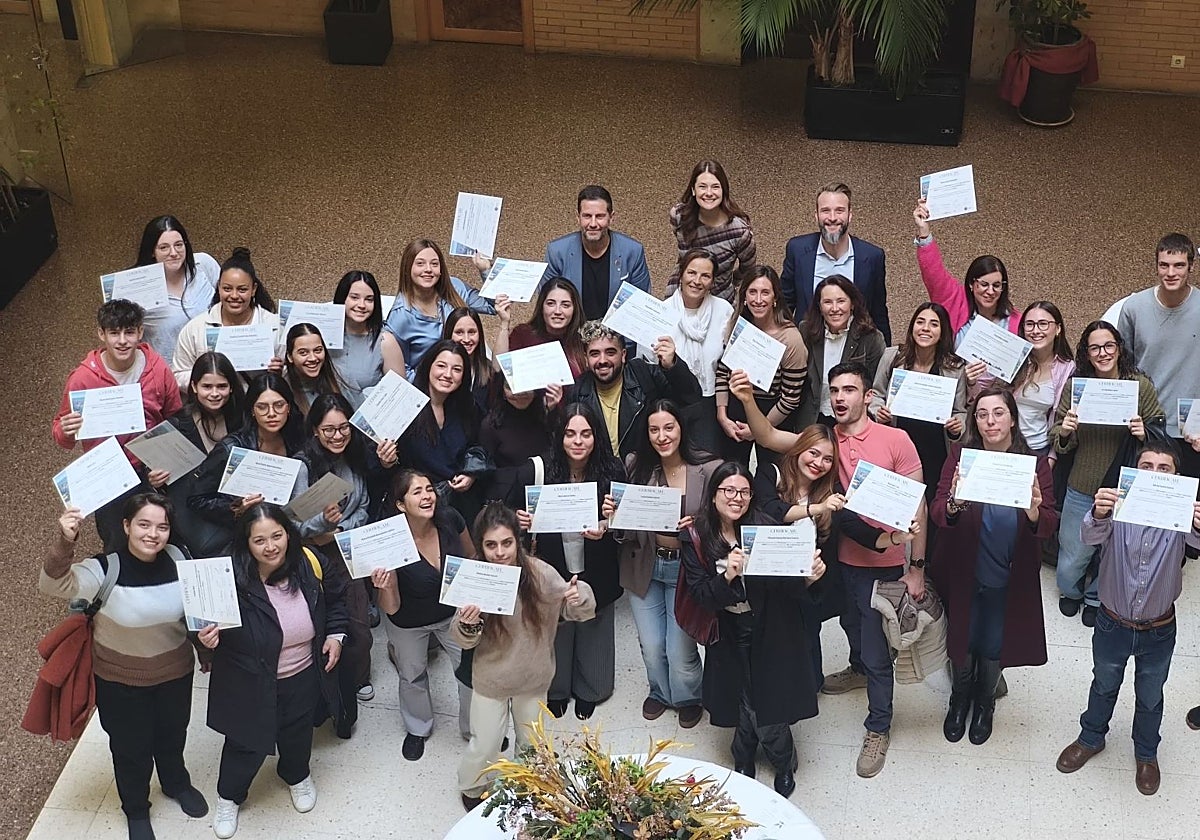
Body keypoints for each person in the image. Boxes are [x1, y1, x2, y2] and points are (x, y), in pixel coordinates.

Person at [731, 361, 927, 778]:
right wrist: (746, 397)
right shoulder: (827, 439)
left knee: (877, 651)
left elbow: (916, 504)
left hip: (881, 564)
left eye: (849, 390)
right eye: (834, 390)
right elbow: (766, 438)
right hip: (836, 565)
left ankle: (879, 726)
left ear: (868, 395)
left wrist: (914, 562)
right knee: (850, 629)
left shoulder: (896, 438)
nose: (840, 397)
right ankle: (856, 670)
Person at [40, 494, 207, 840]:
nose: (153, 534)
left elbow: (198, 607)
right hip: (120, 679)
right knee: (131, 747)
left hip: (175, 672)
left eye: (162, 527)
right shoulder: (105, 569)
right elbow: (52, 583)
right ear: (127, 526)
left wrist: (208, 640)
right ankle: (135, 808)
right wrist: (65, 541)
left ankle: (176, 783)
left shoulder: (181, 559)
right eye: (143, 525)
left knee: (173, 735)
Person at [1055, 440, 1200, 797]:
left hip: (1159, 628)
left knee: (1151, 695)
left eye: (1163, 469)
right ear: (1133, 474)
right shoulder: (1118, 509)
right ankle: (1091, 737)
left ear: (1177, 477)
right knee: (1103, 684)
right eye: (1146, 467)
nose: (1154, 474)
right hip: (1111, 622)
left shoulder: (1181, 517)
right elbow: (1088, 535)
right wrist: (1100, 512)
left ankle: (1146, 753)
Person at [198, 504, 348, 839]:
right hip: (247, 678)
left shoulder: (308, 564)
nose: (271, 547)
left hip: (304, 673)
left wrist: (336, 634)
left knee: (297, 732)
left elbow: (337, 598)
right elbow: (198, 627)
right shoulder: (228, 577)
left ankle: (296, 774)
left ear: (288, 534)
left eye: (277, 536)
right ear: (245, 544)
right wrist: (205, 640)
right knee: (244, 741)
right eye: (260, 540)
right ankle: (230, 795)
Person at [680, 461, 824, 797]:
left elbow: (788, 586)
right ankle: (744, 752)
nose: (737, 497)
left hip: (771, 627)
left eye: (744, 491)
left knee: (766, 702)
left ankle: (781, 759)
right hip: (727, 629)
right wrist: (727, 575)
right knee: (741, 697)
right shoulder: (697, 535)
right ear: (713, 495)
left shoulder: (766, 526)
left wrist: (808, 577)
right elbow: (701, 596)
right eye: (728, 490)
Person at [931, 387, 1058, 746]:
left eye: (999, 413)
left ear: (1013, 418)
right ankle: (959, 699)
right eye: (982, 414)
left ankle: (984, 702)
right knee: (963, 637)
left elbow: (1048, 523)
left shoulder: (1032, 465)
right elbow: (937, 510)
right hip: (964, 570)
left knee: (993, 642)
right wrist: (955, 503)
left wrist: (1034, 511)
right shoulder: (961, 456)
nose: (990, 421)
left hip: (1010, 575)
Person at [454, 502, 596, 811]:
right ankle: (474, 786)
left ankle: (530, 782)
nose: (500, 552)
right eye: (491, 545)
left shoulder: (541, 573)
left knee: (533, 743)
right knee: (485, 743)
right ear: (481, 546)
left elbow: (576, 608)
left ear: (518, 541)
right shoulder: (474, 575)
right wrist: (468, 623)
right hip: (491, 677)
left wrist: (579, 594)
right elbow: (461, 638)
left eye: (507, 543)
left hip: (533, 676)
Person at [602, 400, 717, 726]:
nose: (662, 436)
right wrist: (615, 516)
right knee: (652, 644)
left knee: (679, 649)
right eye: (654, 429)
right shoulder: (635, 464)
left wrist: (696, 523)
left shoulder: (707, 469)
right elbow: (624, 529)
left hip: (685, 569)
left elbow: (725, 519)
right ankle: (659, 692)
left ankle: (688, 695)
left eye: (669, 427)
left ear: (681, 428)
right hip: (645, 566)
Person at [510, 403, 625, 720]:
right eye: (570, 434)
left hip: (598, 563)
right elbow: (509, 513)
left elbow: (624, 525)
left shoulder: (613, 470)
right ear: (559, 437)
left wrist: (608, 523)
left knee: (595, 624)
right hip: (552, 564)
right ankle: (557, 690)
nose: (578, 441)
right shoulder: (542, 470)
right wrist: (520, 518)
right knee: (556, 630)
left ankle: (592, 689)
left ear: (596, 437)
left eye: (586, 434)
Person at [1051, 321, 1163, 626]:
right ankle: (1071, 592)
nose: (1103, 353)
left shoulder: (1139, 386)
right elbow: (1057, 440)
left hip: (1124, 488)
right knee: (1073, 553)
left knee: (1114, 553)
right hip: (1082, 483)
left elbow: (1161, 437)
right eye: (1095, 347)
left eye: (1109, 345)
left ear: (1119, 348)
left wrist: (1145, 434)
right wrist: (1065, 431)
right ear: (1086, 353)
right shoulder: (1078, 387)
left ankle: (1094, 597)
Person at [52, 299, 182, 552]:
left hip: (149, 467)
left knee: (162, 537)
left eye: (129, 332)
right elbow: (61, 433)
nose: (122, 340)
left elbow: (175, 417)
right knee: (116, 540)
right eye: (114, 333)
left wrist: (165, 462)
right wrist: (66, 431)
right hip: (106, 473)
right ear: (101, 334)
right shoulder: (82, 379)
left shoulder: (158, 369)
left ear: (140, 332)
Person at [371, 469, 474, 761]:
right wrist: (387, 585)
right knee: (412, 674)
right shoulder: (389, 539)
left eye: (429, 489)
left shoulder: (451, 519)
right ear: (400, 504)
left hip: (453, 613)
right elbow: (390, 608)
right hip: (409, 620)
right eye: (417, 492)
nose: (427, 496)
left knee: (470, 671)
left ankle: (475, 728)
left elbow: (471, 555)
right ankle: (418, 729)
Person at [292, 394, 377, 712]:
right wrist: (320, 524)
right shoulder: (302, 466)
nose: (338, 435)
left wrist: (338, 530)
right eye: (329, 429)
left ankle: (358, 677)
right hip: (312, 557)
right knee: (318, 623)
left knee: (358, 623)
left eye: (344, 428)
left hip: (347, 549)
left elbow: (365, 506)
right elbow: (292, 524)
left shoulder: (353, 458)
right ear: (315, 430)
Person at [868, 302, 967, 546]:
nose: (925, 328)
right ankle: (892, 555)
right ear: (912, 326)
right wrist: (877, 411)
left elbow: (961, 411)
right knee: (893, 503)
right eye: (920, 322)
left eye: (934, 324)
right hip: (898, 444)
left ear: (943, 332)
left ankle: (925, 565)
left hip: (935, 448)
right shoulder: (893, 356)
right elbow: (876, 394)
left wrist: (957, 426)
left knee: (931, 505)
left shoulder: (954, 367)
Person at [1118, 233, 1200, 481]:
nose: (1171, 272)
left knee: (1189, 513)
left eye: (1179, 265)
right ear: (1156, 266)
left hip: (1193, 430)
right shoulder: (1134, 308)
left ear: (1192, 266)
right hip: (1146, 426)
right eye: (1164, 265)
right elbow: (1123, 366)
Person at [147, 352, 245, 556]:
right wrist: (155, 481)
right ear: (193, 387)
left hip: (239, 517)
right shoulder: (176, 426)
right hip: (196, 526)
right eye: (207, 386)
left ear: (231, 387)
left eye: (222, 386)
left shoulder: (243, 419)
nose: (215, 393)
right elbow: (154, 482)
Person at [188, 374, 306, 536]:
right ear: (252, 410)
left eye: (279, 405)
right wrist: (237, 508)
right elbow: (196, 499)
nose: (272, 413)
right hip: (246, 534)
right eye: (262, 407)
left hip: (291, 530)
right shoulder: (231, 448)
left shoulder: (297, 439)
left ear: (289, 407)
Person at [715, 265, 807, 467]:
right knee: (731, 474)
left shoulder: (790, 339)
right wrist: (722, 415)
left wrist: (759, 429)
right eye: (752, 292)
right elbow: (723, 372)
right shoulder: (736, 326)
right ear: (745, 297)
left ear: (775, 298)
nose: (758, 300)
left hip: (772, 416)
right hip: (734, 417)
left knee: (770, 477)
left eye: (765, 293)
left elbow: (791, 398)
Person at [572, 320, 703, 458]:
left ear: (623, 355)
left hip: (643, 470)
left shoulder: (644, 375)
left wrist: (672, 366)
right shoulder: (578, 391)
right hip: (602, 474)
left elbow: (691, 398)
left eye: (610, 352)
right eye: (595, 354)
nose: (602, 360)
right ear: (586, 359)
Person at [782, 182, 890, 343]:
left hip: (854, 354)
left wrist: (885, 356)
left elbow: (878, 312)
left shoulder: (872, 256)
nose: (832, 218)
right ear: (816, 215)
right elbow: (784, 305)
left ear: (849, 215)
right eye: (825, 211)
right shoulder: (797, 250)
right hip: (808, 352)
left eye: (839, 211)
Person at [651, 249, 735, 454]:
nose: (697, 281)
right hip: (674, 405)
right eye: (692, 273)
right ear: (681, 274)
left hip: (713, 404)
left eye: (705, 275)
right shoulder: (661, 312)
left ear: (713, 281)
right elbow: (649, 365)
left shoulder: (724, 310)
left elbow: (731, 361)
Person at [398, 339, 487, 524]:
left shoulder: (467, 406)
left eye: (457, 369)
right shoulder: (404, 404)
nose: (448, 374)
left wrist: (471, 473)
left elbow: (478, 445)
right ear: (428, 366)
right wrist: (385, 460)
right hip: (418, 507)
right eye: (441, 366)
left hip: (461, 502)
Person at [381, 238, 494, 380]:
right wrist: (431, 385)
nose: (428, 269)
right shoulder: (401, 315)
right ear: (408, 268)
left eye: (434, 264)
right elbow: (401, 367)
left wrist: (485, 270)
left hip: (467, 375)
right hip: (434, 386)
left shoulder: (455, 287)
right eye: (420, 263)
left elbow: (492, 306)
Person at [172, 248, 281, 389]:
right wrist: (206, 378)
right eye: (227, 289)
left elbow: (293, 374)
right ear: (218, 287)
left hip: (260, 407)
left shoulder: (274, 326)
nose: (234, 296)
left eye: (242, 290)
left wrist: (279, 372)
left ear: (253, 289)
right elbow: (178, 374)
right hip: (213, 406)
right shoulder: (196, 328)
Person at [912, 198, 1019, 342]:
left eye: (997, 285)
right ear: (971, 283)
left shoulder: (1016, 321)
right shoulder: (956, 301)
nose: (990, 291)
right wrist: (924, 231)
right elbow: (933, 273)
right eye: (984, 284)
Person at [542, 184, 651, 321]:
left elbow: (640, 307)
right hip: (570, 336)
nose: (593, 224)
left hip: (614, 338)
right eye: (587, 216)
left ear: (611, 218)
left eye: (600, 216)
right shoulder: (557, 252)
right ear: (578, 217)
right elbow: (547, 304)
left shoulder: (632, 251)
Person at [797, 275, 885, 428]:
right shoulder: (806, 331)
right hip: (811, 420)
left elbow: (876, 386)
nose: (835, 308)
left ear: (852, 304)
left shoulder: (871, 338)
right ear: (819, 306)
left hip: (852, 422)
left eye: (841, 301)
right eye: (827, 302)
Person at [665, 160, 756, 301]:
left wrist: (729, 281)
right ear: (693, 190)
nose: (708, 193)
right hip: (682, 289)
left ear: (723, 191)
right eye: (702, 187)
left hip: (718, 296)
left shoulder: (740, 231)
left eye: (715, 187)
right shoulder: (678, 216)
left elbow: (748, 269)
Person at [133, 215, 221, 360]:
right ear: (152, 251)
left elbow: (229, 299)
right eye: (164, 247)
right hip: (169, 374)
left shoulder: (203, 264)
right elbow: (123, 334)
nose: (173, 253)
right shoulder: (138, 286)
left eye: (179, 245)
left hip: (213, 370)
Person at [1004, 301, 1075, 455]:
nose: (1036, 330)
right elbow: (987, 396)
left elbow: (1062, 419)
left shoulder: (1067, 369)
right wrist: (971, 382)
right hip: (1004, 445)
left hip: (1038, 448)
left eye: (1043, 324)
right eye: (1030, 324)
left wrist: (1052, 457)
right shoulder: (1013, 358)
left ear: (1058, 329)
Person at [479, 381, 563, 502]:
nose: (519, 394)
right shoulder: (490, 425)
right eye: (510, 387)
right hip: (508, 503)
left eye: (526, 388)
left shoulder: (548, 417)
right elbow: (486, 477)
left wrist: (553, 410)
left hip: (549, 498)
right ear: (502, 389)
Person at [492, 277, 588, 377]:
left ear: (574, 309)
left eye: (565, 305)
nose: (558, 311)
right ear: (541, 306)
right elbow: (498, 368)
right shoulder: (523, 334)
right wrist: (504, 322)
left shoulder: (582, 341)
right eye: (551, 304)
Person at [330, 270, 385, 411]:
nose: (362, 305)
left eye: (369, 299)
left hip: (368, 421)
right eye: (354, 297)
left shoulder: (385, 340)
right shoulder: (323, 336)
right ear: (342, 298)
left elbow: (398, 392)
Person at [283, 323, 344, 416]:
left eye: (318, 350)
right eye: (303, 353)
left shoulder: (340, 378)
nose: (312, 358)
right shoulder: (283, 388)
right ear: (290, 357)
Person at [442, 306, 494, 409]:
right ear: (449, 334)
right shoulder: (438, 370)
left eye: (472, 332)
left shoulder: (489, 370)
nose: (466, 339)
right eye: (459, 332)